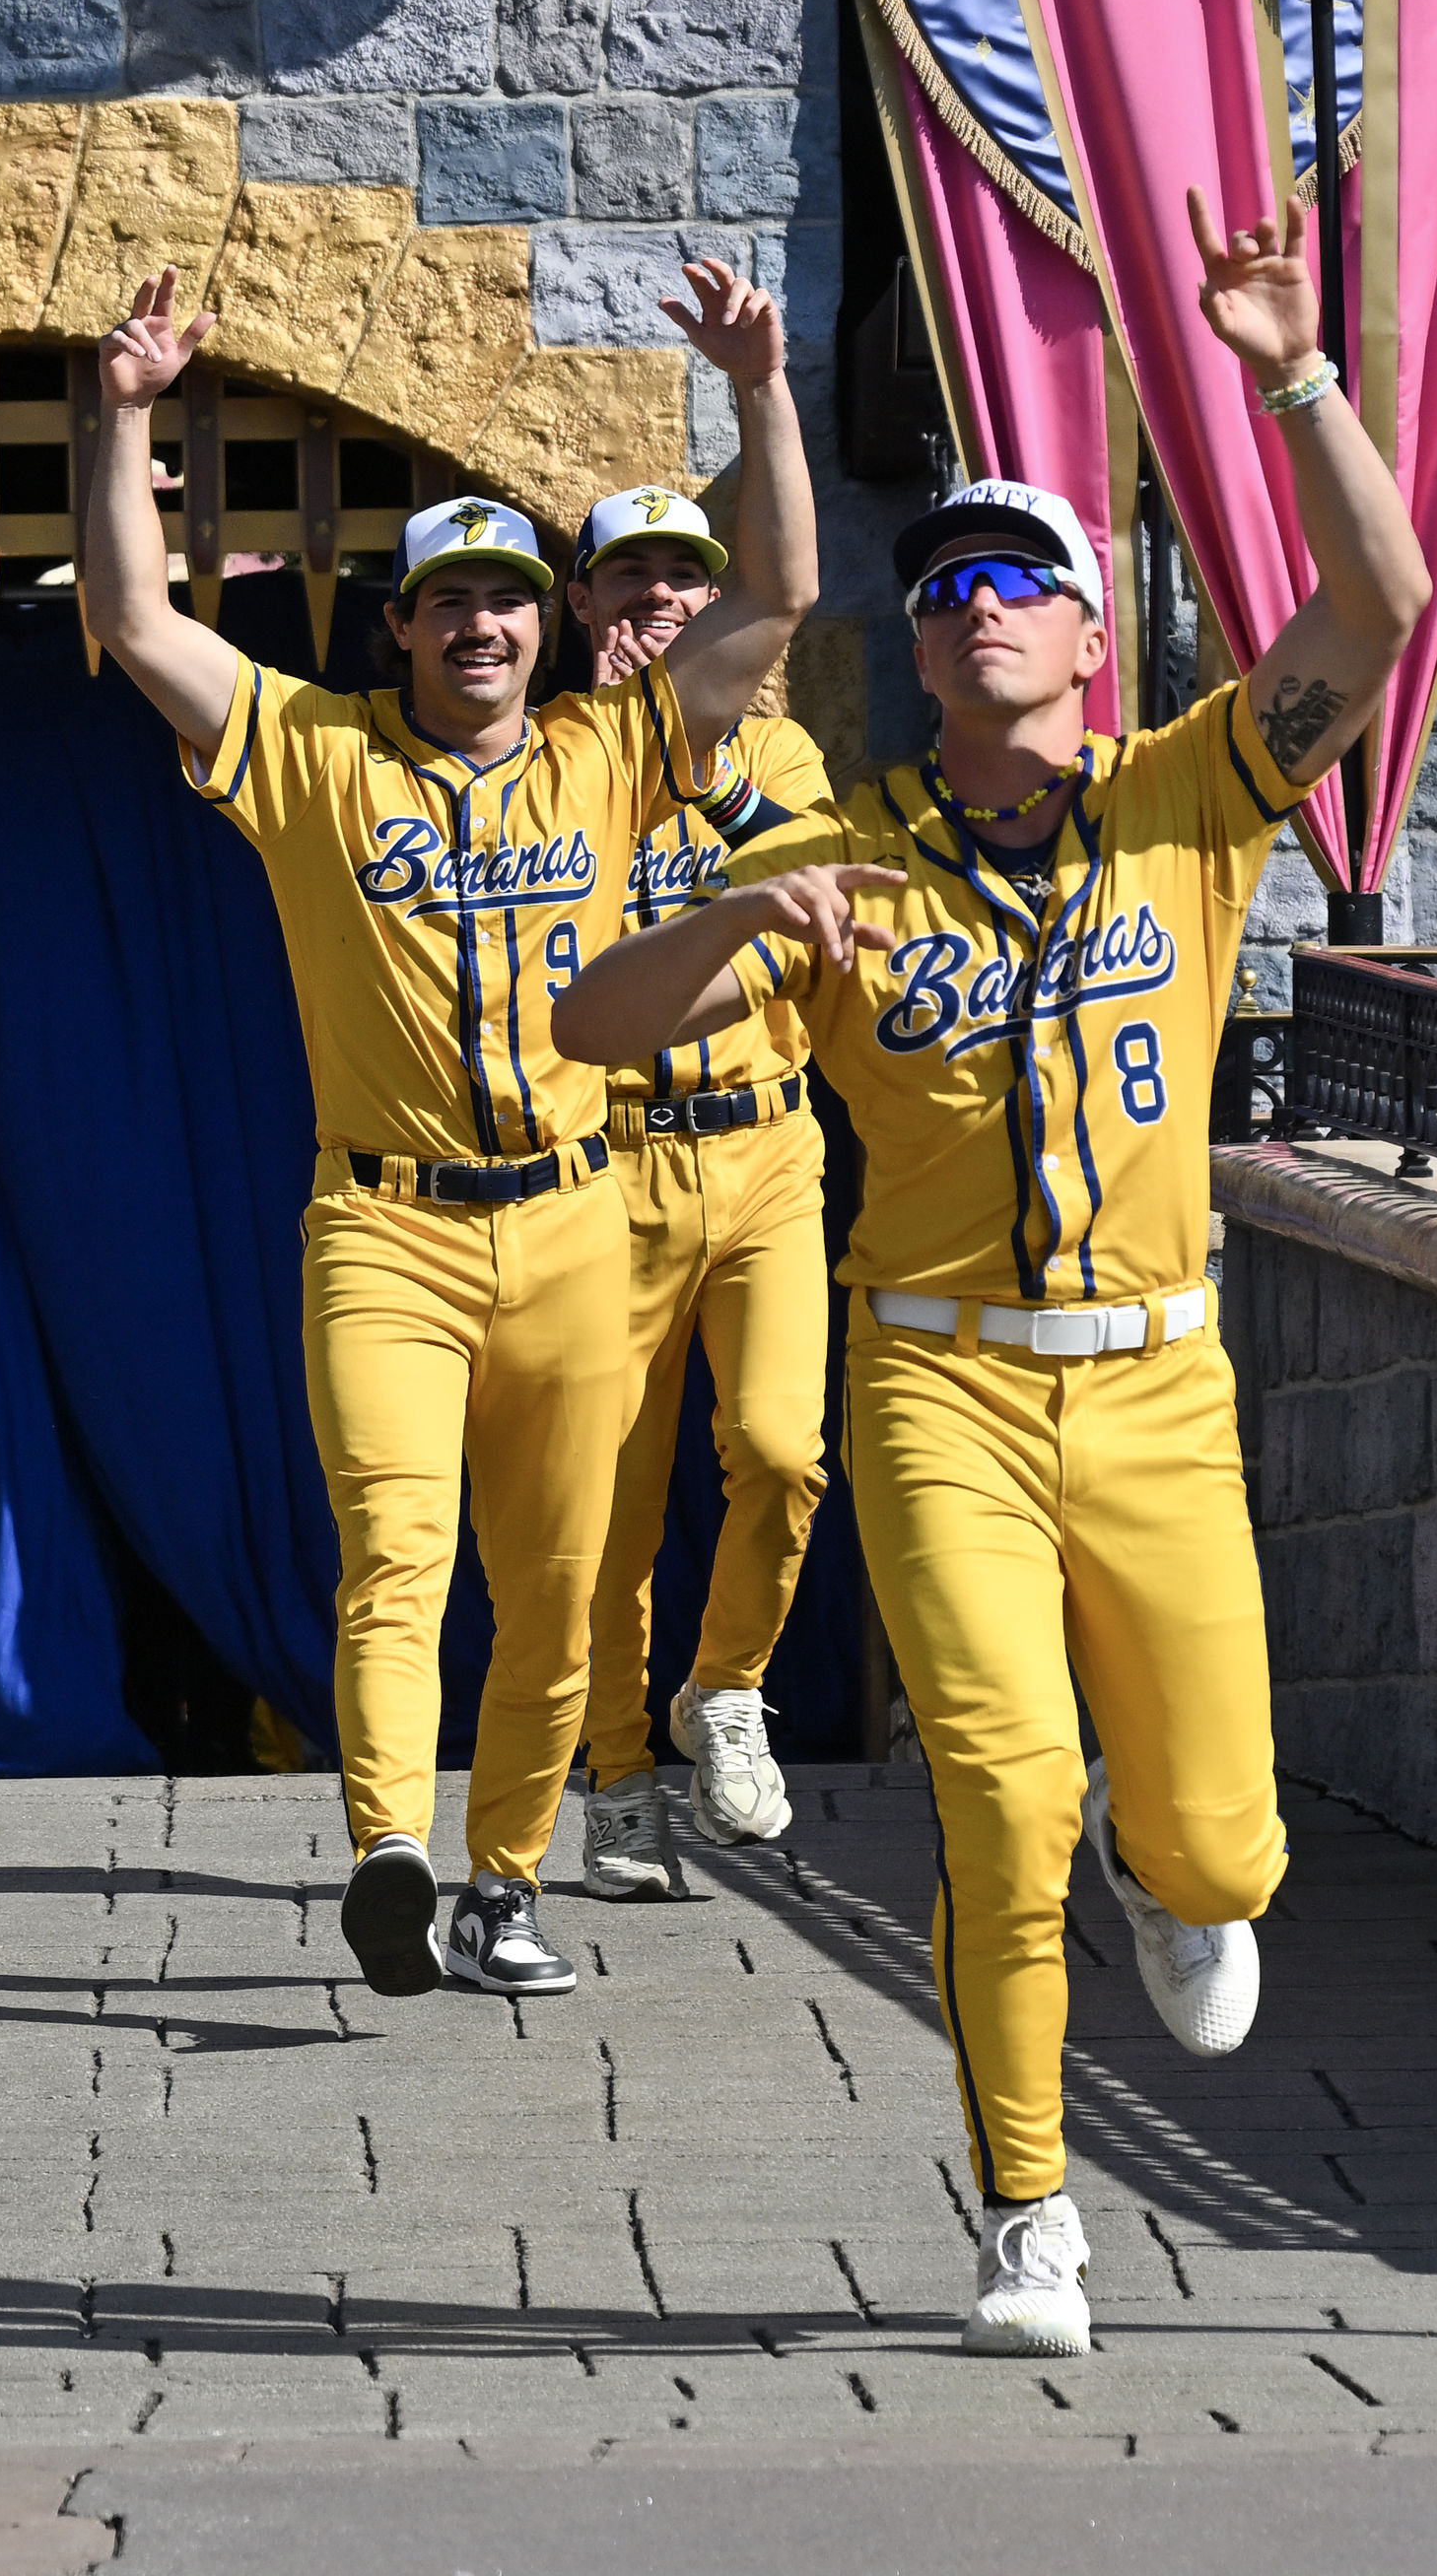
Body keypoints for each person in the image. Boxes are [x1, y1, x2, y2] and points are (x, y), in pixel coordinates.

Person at [556, 192, 1429, 2357]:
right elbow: (590, 1024)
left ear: (1082, 639)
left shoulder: (1190, 790)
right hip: (936, 1378)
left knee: (1218, 1855)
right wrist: (745, 930)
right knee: (997, 1793)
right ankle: (1026, 2210)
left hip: (1153, 1381)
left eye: (1011, 582)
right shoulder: (834, 850)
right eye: (938, 589)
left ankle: (1174, 1866)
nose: (969, 612)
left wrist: (1289, 374)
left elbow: (1383, 600)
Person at [75, 262, 812, 2002]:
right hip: (386, 1225)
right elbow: (134, 623)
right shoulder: (311, 750)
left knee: (555, 1594)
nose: (479, 625)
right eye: (445, 602)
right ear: (393, 626)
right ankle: (390, 1854)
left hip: (574, 1219)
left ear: (543, 625)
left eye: (505, 600)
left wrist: (764, 392)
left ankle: (501, 1884)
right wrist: (117, 419)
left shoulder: (613, 745)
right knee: (395, 1552)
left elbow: (777, 591)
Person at [555, 484, 840, 1901]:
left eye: (687, 579)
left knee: (783, 1449)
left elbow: (815, 924)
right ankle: (610, 1775)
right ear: (582, 603)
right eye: (630, 578)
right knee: (608, 1497)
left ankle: (723, 1688)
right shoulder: (548, 759)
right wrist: (614, 749)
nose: (659, 599)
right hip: (606, 1156)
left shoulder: (778, 746)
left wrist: (692, 758)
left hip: (766, 1144)